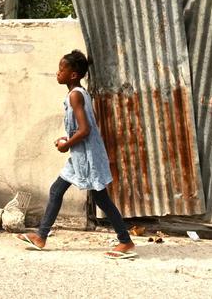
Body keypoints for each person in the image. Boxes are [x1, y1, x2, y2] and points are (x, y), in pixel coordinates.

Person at [16, 49, 136, 259]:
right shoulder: (80, 93)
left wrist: (66, 144)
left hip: (88, 157)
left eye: (62, 69)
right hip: (81, 156)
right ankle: (41, 236)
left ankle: (125, 241)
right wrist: (67, 140)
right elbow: (87, 124)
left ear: (73, 74)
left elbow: (85, 129)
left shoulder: (75, 96)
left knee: (102, 200)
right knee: (56, 190)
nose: (57, 72)